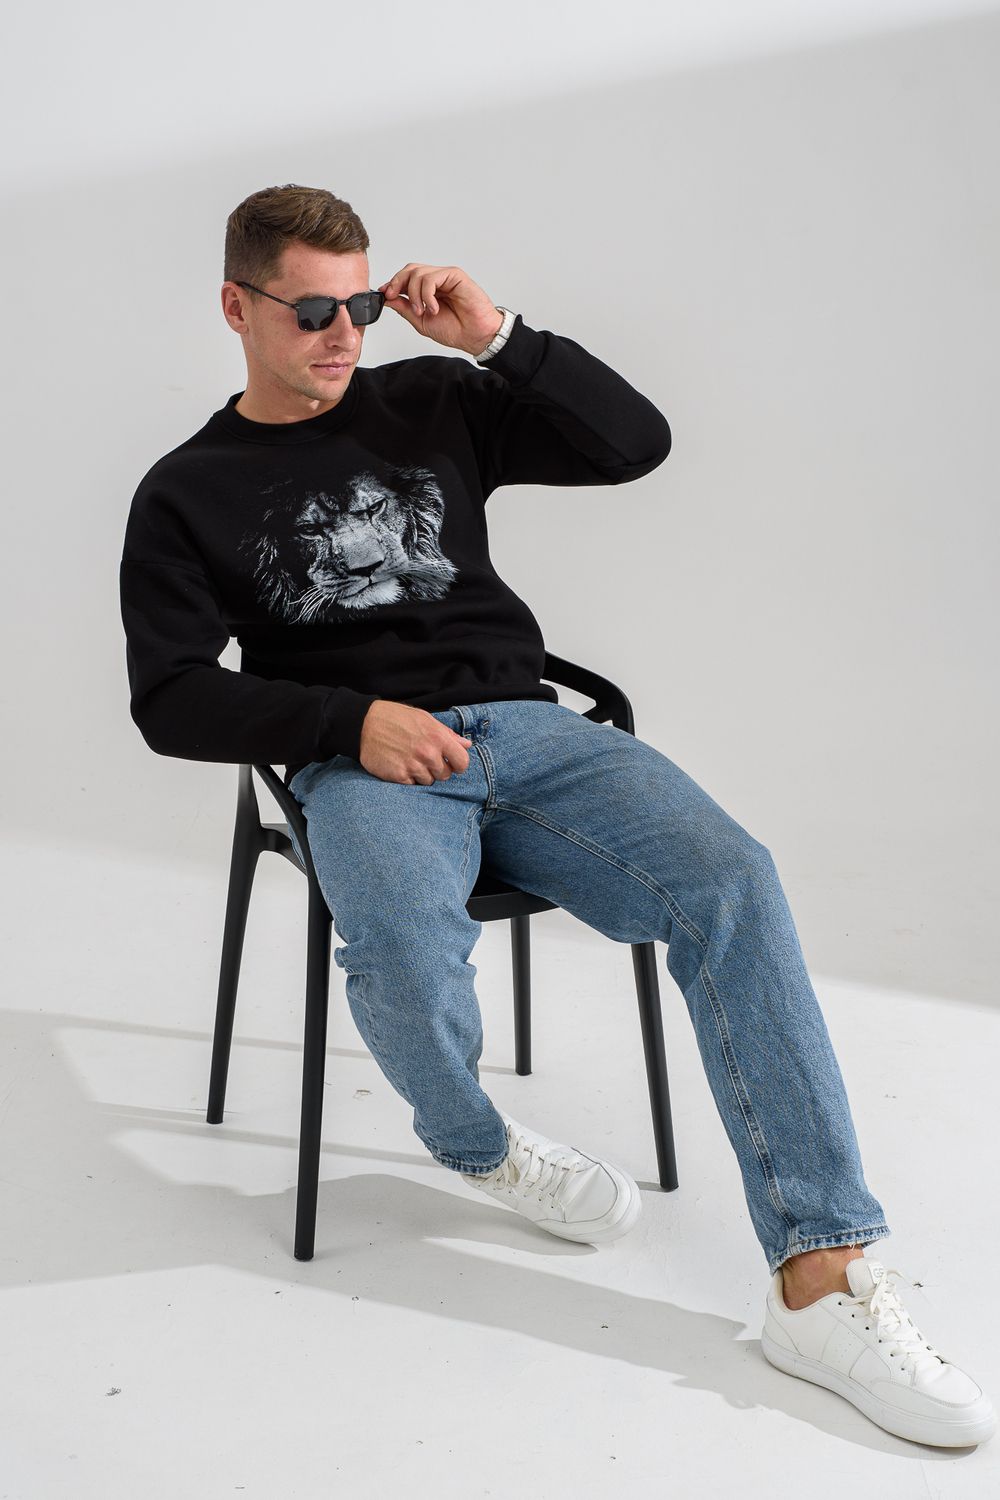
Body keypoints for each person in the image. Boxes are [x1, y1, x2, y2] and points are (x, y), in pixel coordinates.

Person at [119, 183, 994, 1449]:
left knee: (735, 880)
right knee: (406, 947)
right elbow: (169, 697)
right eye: (311, 311)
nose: (343, 333)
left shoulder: (434, 401)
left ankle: (821, 1274)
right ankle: (475, 1144)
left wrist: (497, 337)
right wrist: (346, 725)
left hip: (527, 729)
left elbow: (636, 443)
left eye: (360, 306)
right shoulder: (186, 489)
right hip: (364, 765)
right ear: (234, 308)